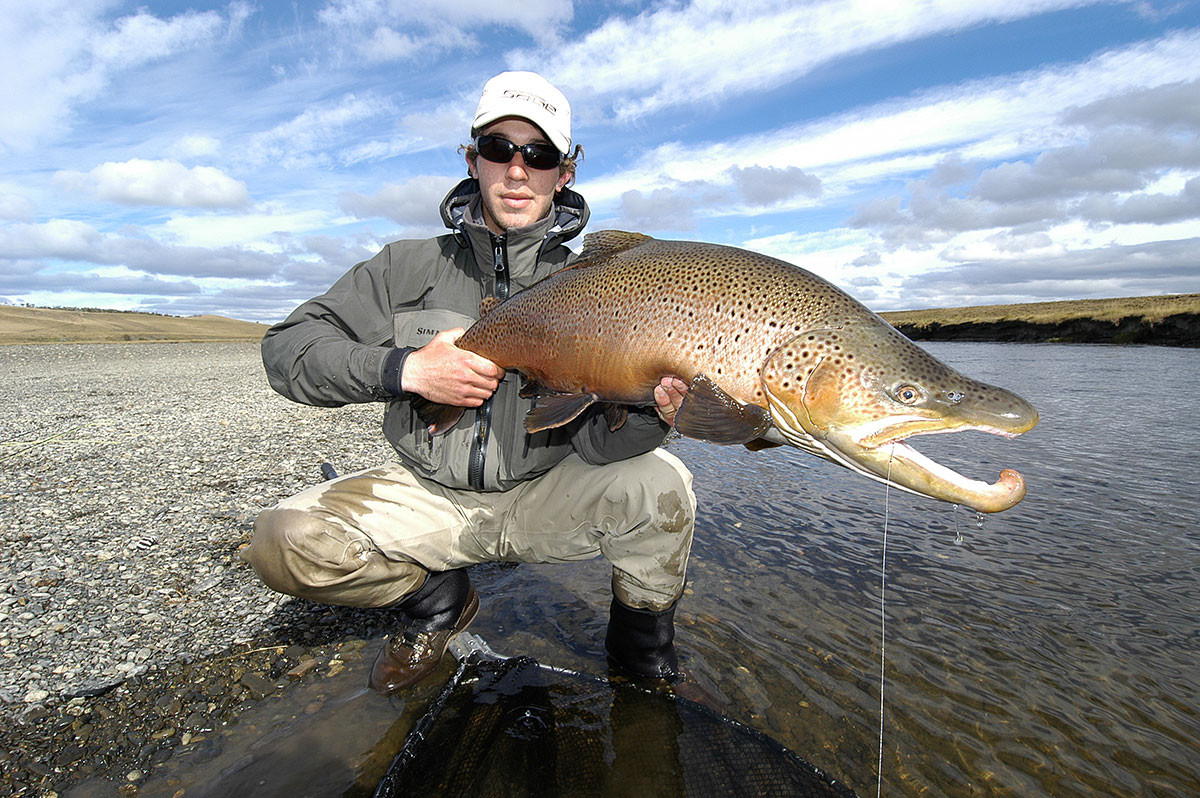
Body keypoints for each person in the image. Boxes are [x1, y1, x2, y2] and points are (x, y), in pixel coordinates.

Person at [242, 71, 696, 695]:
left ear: (564, 173)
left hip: (543, 495)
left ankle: (641, 654)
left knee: (665, 485)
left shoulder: (597, 289)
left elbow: (597, 446)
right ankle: (436, 600)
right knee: (282, 542)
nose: (517, 170)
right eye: (498, 149)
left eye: (539, 155)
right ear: (472, 160)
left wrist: (650, 410)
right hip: (429, 495)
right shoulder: (405, 267)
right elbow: (287, 350)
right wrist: (405, 369)